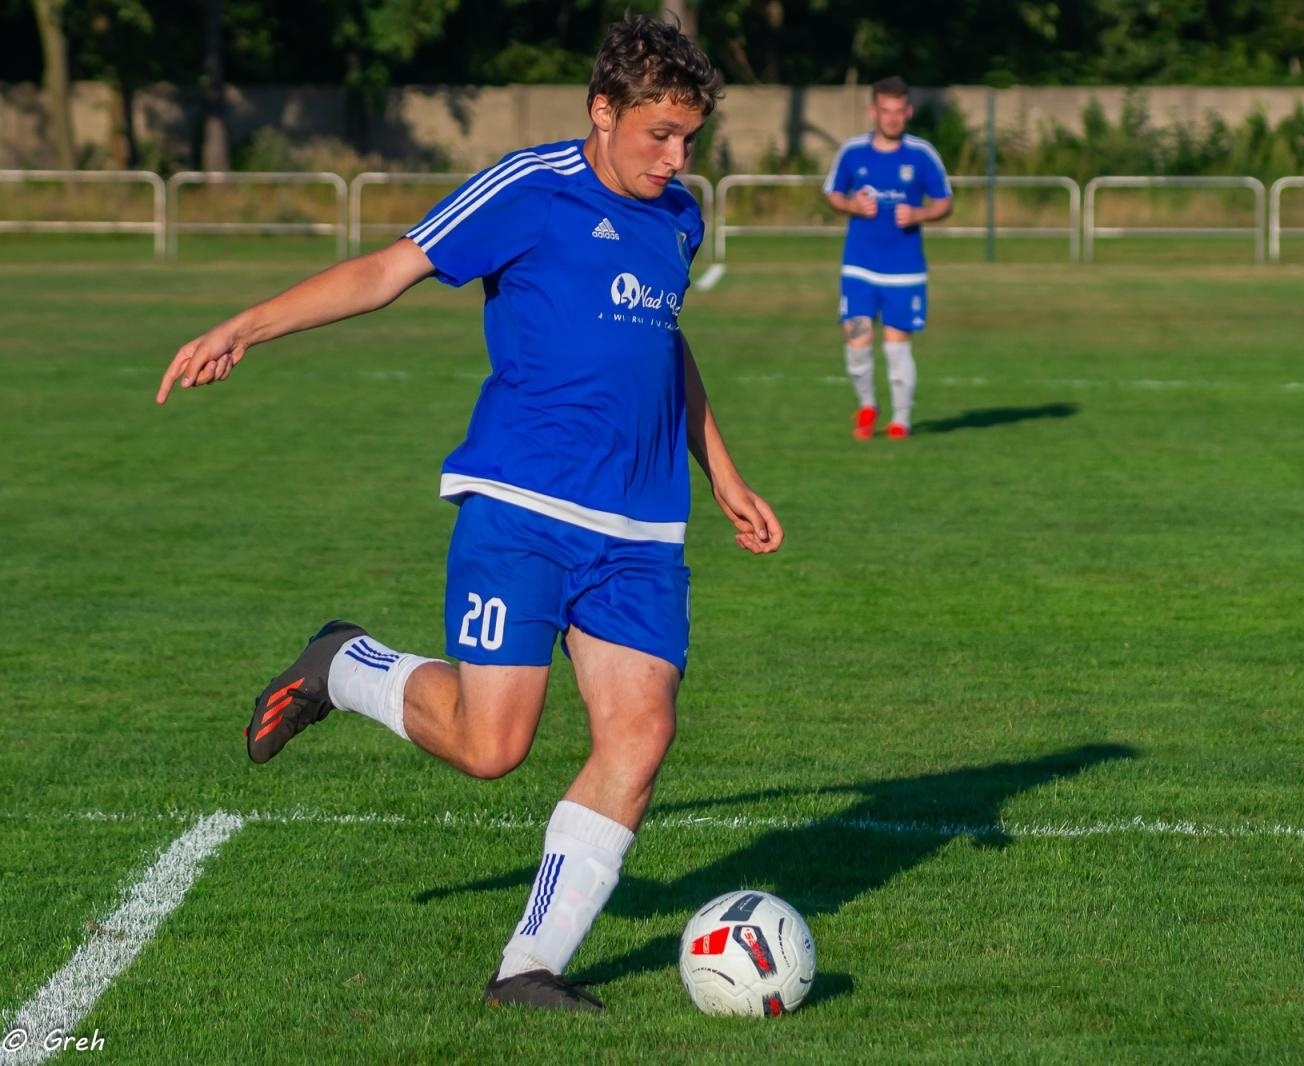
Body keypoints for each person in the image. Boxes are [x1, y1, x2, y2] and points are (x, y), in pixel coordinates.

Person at [154, 14, 781, 1014]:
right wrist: (247, 326)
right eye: (659, 134)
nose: (676, 158)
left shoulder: (678, 218)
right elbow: (387, 270)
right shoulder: (529, 187)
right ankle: (343, 664)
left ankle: (529, 966)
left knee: (641, 734)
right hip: (523, 508)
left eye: (689, 139)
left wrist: (723, 473)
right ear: (603, 110)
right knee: (493, 748)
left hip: (640, 530)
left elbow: (662, 344)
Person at [823, 76, 952, 440]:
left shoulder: (921, 154)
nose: (892, 118)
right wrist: (852, 205)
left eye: (898, 111)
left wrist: (919, 213)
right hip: (859, 267)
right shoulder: (853, 152)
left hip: (904, 271)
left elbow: (944, 202)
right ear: (873, 111)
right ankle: (867, 406)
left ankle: (901, 421)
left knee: (896, 347)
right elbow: (833, 194)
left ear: (908, 112)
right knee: (857, 339)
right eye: (886, 110)